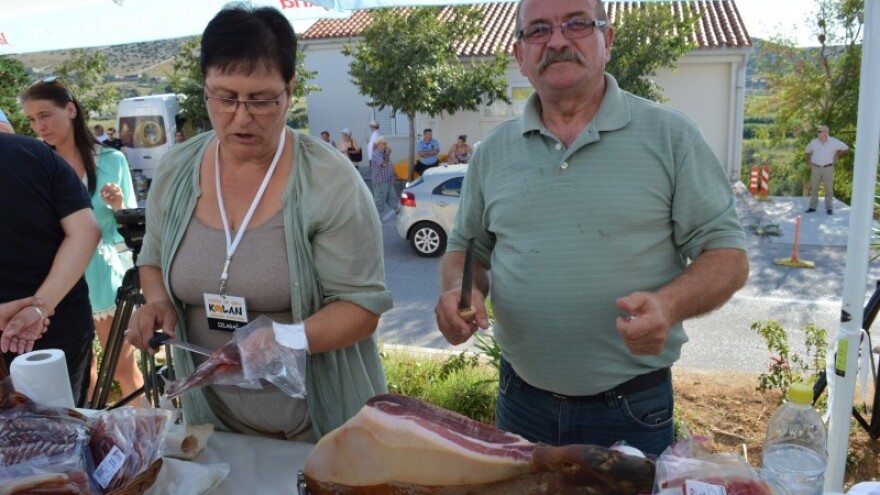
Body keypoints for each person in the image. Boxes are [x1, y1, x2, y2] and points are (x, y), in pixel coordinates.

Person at [434, 0, 749, 457]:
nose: (558, 40)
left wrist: (668, 304)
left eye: (577, 23)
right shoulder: (492, 152)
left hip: (631, 409)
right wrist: (461, 296)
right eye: (538, 30)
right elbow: (467, 251)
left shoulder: (671, 136)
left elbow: (728, 256)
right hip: (520, 401)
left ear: (608, 41)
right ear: (520, 56)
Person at [125, 4, 392, 441]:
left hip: (316, 425)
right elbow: (152, 259)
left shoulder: (329, 181)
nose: (242, 116)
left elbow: (362, 310)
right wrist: (158, 302)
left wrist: (285, 338)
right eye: (225, 97)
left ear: (289, 89)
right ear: (205, 88)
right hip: (212, 423)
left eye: (261, 99)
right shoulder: (176, 172)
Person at [22, 79, 145, 403]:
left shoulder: (111, 160)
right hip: (57, 279)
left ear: (71, 110)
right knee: (79, 376)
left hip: (104, 275)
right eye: (32, 120)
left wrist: (118, 206)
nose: (40, 126)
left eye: (45, 115)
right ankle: (89, 442)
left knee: (123, 369)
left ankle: (154, 439)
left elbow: (130, 225)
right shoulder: (37, 164)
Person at [0, 132, 101, 405]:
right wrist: (40, 307)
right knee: (61, 437)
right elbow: (86, 232)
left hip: (49, 329)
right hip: (57, 326)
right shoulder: (35, 152)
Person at [804, 124, 848, 215]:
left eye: (819, 131)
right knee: (814, 188)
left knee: (828, 189)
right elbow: (807, 151)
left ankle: (829, 208)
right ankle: (812, 207)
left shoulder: (834, 142)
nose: (818, 133)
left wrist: (837, 155)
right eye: (818, 131)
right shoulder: (814, 142)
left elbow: (846, 148)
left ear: (825, 133)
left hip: (828, 168)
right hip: (816, 168)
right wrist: (809, 162)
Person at [371, 137, 399, 223]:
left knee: (392, 196)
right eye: (384, 143)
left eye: (386, 143)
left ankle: (398, 212)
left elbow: (389, 164)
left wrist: (394, 175)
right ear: (379, 144)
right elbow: (384, 164)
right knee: (379, 200)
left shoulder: (383, 153)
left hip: (388, 180)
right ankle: (376, 219)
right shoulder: (376, 154)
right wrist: (388, 154)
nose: (386, 145)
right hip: (380, 181)